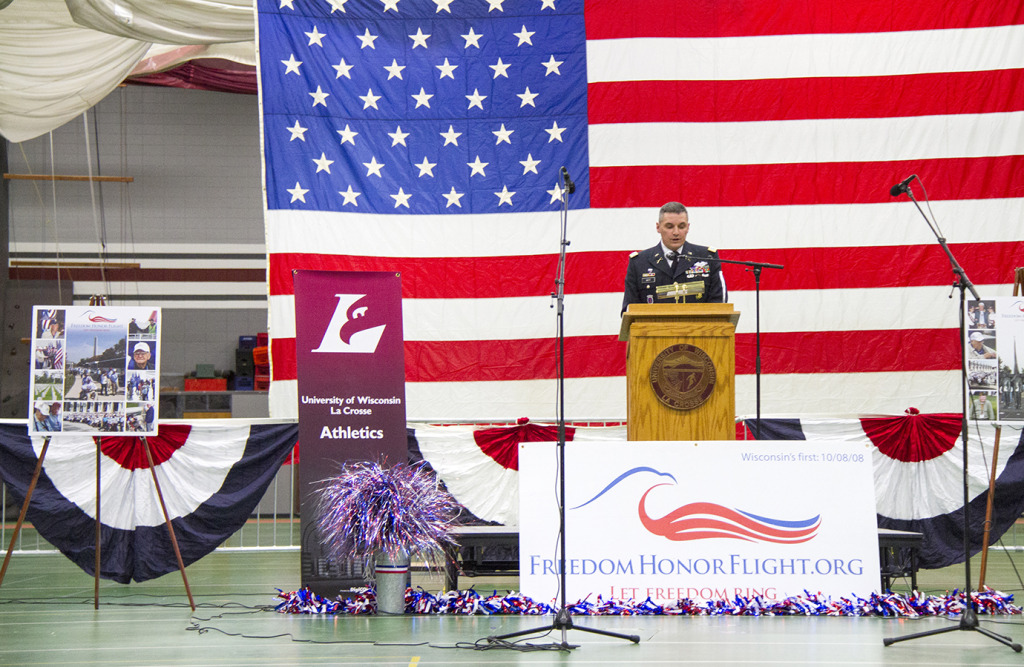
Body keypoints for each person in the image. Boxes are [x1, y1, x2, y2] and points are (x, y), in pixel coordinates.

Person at [622, 202, 726, 312]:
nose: (676, 232)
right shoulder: (640, 262)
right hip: (655, 328)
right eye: (669, 226)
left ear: (688, 227)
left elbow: (719, 303)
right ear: (658, 227)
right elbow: (629, 309)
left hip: (699, 327)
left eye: (681, 226)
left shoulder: (707, 257)